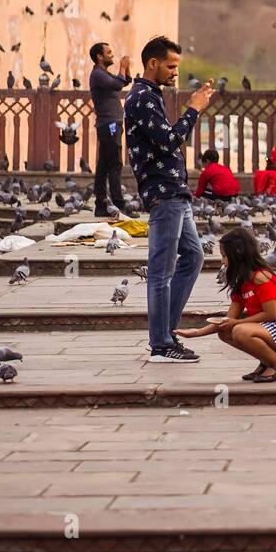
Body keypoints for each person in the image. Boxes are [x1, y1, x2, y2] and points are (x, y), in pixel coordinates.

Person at [124, 35, 214, 362]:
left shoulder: (153, 95)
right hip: (163, 192)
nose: (175, 72)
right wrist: (193, 110)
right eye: (171, 66)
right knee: (161, 271)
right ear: (153, 64)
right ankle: (161, 343)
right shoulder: (141, 98)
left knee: (193, 256)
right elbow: (167, 142)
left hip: (175, 191)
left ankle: (167, 331)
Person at [177, 226, 276, 383]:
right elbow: (228, 320)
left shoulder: (261, 277)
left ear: (238, 255)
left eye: (225, 256)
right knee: (225, 331)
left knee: (240, 330)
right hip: (265, 328)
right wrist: (197, 333)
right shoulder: (241, 281)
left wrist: (238, 323)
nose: (222, 261)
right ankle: (267, 361)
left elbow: (271, 314)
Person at [88, 42, 131, 218]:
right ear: (100, 56)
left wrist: (126, 69)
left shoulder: (103, 73)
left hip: (110, 124)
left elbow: (125, 81)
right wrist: (122, 66)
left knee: (103, 166)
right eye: (109, 52)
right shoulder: (97, 74)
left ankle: (100, 205)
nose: (112, 55)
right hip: (109, 125)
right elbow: (118, 85)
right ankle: (120, 206)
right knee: (115, 164)